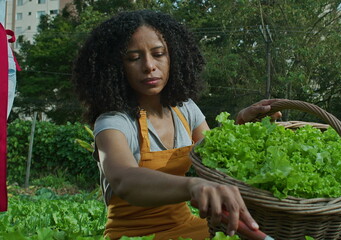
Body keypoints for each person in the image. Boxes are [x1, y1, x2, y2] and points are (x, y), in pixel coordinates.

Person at [72, 9, 281, 240]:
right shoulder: (113, 123)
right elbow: (124, 179)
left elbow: (215, 154)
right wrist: (192, 185)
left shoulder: (185, 109)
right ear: (115, 67)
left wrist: (241, 123)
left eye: (159, 54)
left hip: (188, 226)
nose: (149, 65)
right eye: (133, 58)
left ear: (174, 57)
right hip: (133, 234)